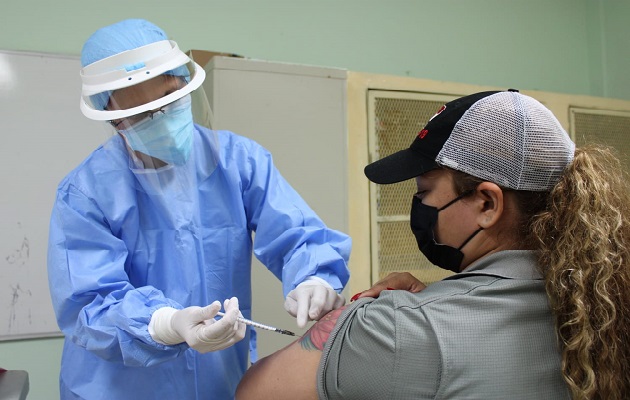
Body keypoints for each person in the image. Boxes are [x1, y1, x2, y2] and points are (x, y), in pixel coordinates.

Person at [235, 90, 630, 400]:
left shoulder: (395, 326)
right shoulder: (608, 305)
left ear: (487, 204)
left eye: (425, 191)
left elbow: (255, 391)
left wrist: (357, 315)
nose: (419, 206)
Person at [47, 19, 351, 400]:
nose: (164, 118)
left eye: (172, 99)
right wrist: (165, 324)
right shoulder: (87, 193)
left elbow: (298, 234)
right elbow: (90, 302)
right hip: (119, 388)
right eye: (144, 111)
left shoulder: (239, 162)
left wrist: (315, 278)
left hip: (218, 380)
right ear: (113, 116)